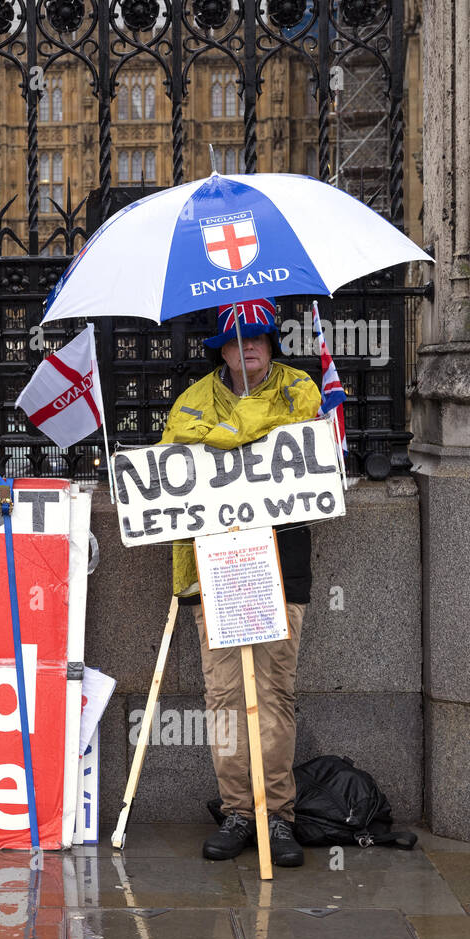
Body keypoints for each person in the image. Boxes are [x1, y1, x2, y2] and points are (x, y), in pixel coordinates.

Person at [159, 298, 322, 868]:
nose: (248, 346)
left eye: (259, 336)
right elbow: (173, 454)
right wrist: (238, 434)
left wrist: (222, 435)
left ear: (272, 344)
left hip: (280, 562)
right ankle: (237, 812)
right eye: (235, 338)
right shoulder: (191, 401)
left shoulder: (299, 390)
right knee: (226, 696)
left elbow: (295, 438)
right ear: (220, 351)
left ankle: (277, 817)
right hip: (217, 564)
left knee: (274, 692)